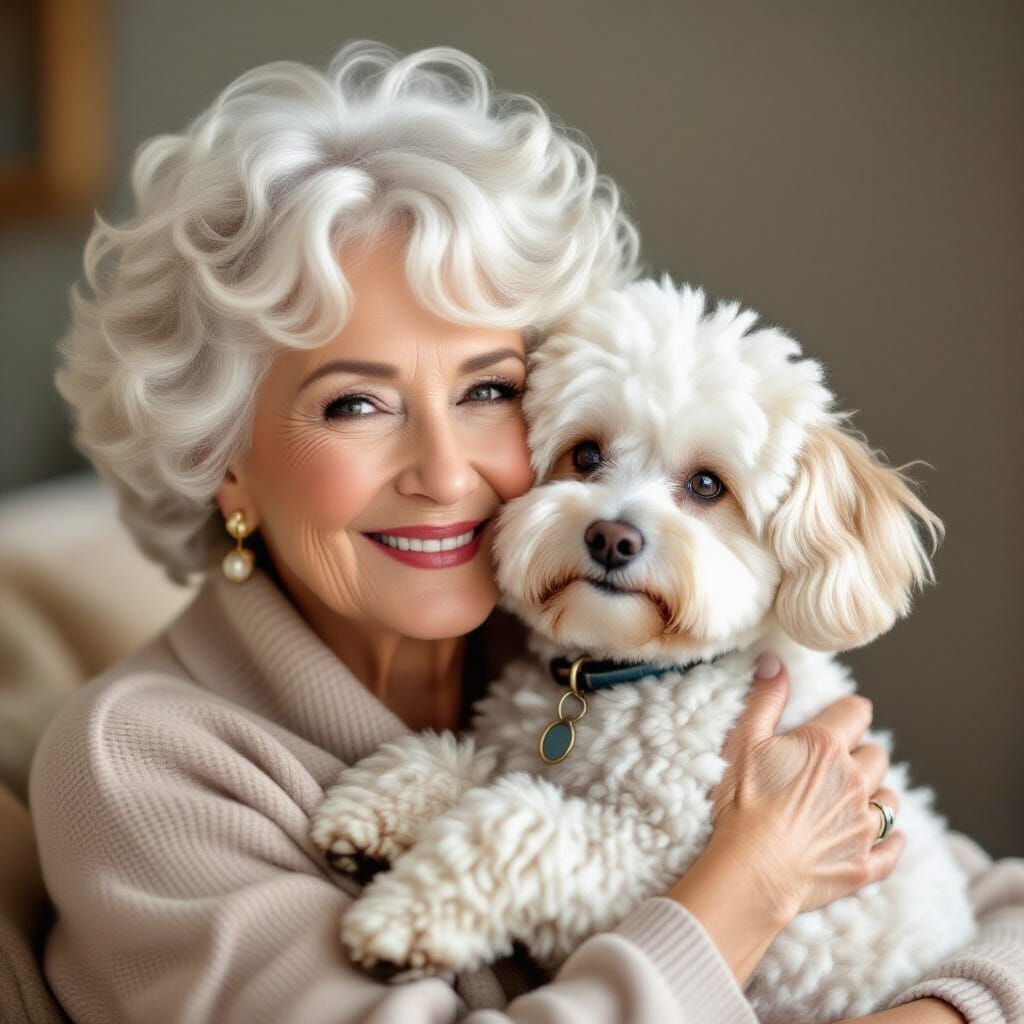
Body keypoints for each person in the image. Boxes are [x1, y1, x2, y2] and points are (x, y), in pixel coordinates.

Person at [28, 40, 1023, 1024]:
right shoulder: (138, 767)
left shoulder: (575, 642)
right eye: (356, 405)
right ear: (222, 454)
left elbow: (993, 913)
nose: (447, 471)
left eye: (488, 391)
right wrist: (750, 883)